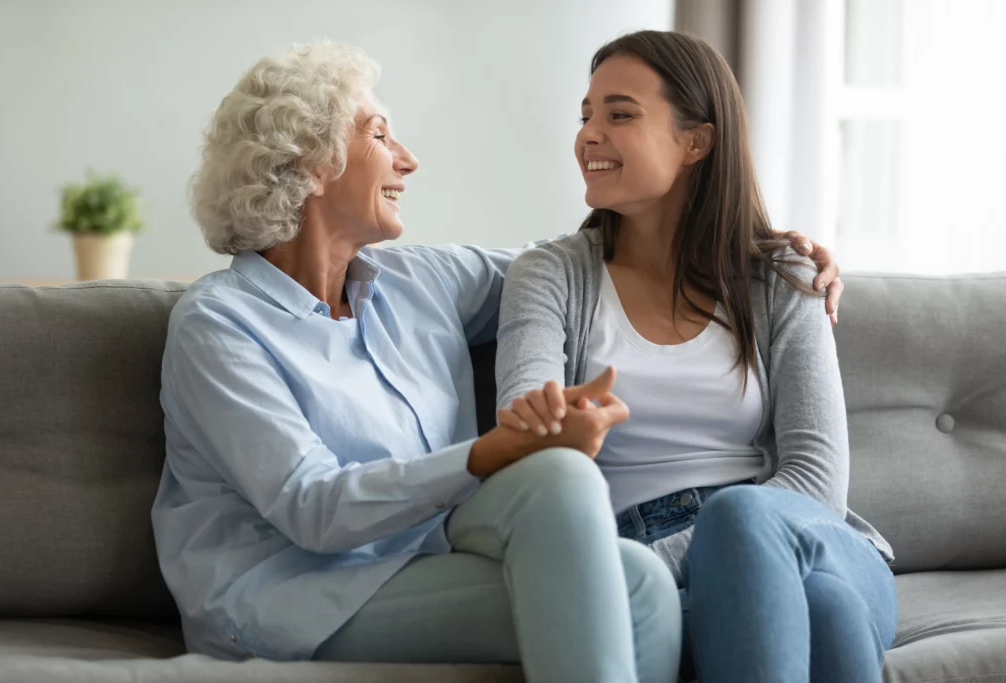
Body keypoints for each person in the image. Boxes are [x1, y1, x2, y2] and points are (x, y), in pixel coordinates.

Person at [151, 41, 841, 682]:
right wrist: (485, 453)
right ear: (310, 162)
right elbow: (311, 508)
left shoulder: (421, 281)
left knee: (614, 546)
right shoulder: (220, 324)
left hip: (425, 558)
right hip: (292, 592)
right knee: (595, 529)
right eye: (381, 135)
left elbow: (602, 266)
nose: (407, 159)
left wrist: (757, 250)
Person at [494, 31, 896, 683]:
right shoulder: (548, 276)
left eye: (619, 114)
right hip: (642, 558)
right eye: (586, 115)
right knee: (823, 610)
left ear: (696, 142)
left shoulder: (781, 277)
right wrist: (655, 567)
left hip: (806, 539)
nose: (589, 135)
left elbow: (818, 479)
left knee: (755, 530)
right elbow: (526, 435)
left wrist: (721, 548)